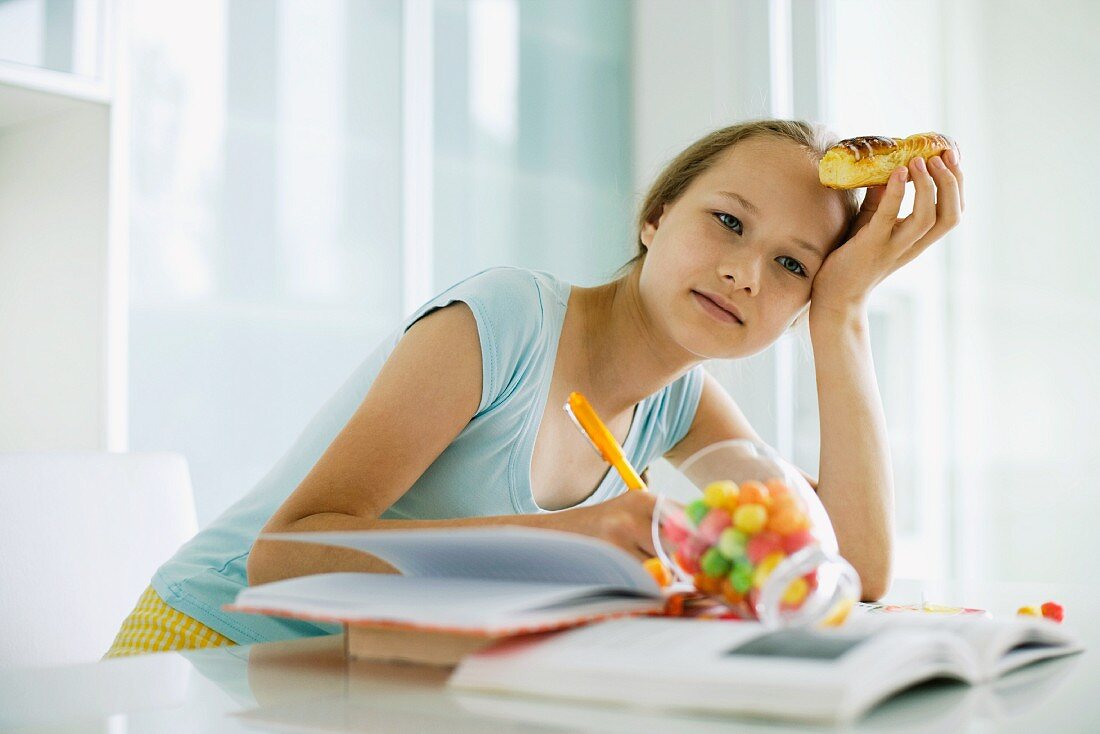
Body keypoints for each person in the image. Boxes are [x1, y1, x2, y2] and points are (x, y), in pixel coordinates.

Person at [104, 119, 963, 657]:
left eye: (791, 266)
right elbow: (281, 557)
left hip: (357, 679)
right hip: (209, 653)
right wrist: (570, 541)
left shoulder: (678, 399)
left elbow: (849, 565)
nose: (745, 272)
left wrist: (843, 317)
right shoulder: (508, 319)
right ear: (657, 215)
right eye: (728, 222)